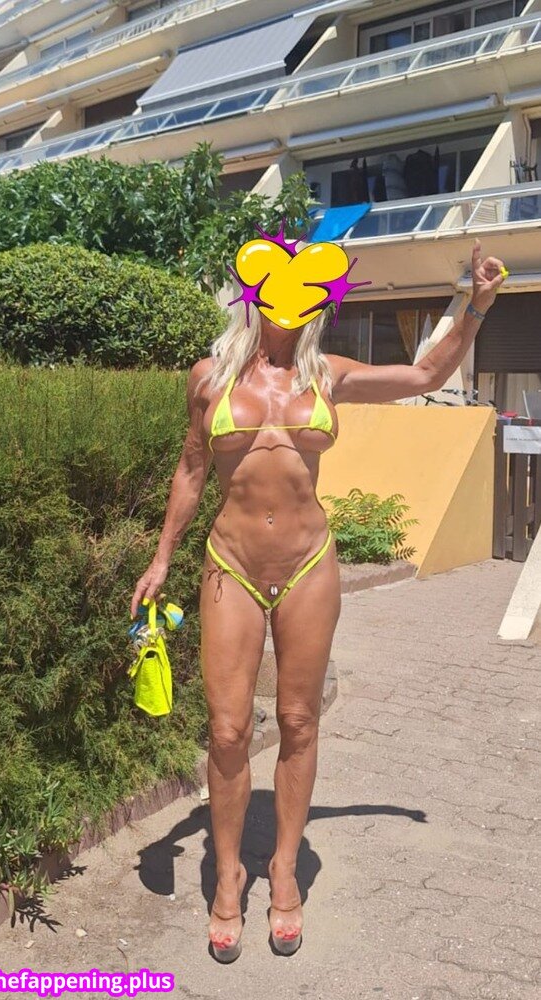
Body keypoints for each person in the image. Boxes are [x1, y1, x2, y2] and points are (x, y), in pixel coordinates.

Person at [130, 238, 506, 961]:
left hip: (308, 566)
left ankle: (284, 871)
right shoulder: (209, 377)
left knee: (299, 722)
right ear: (256, 291)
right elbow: (191, 469)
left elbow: (426, 373)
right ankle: (229, 876)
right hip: (231, 566)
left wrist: (474, 304)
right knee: (228, 731)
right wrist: (162, 556)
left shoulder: (327, 374)